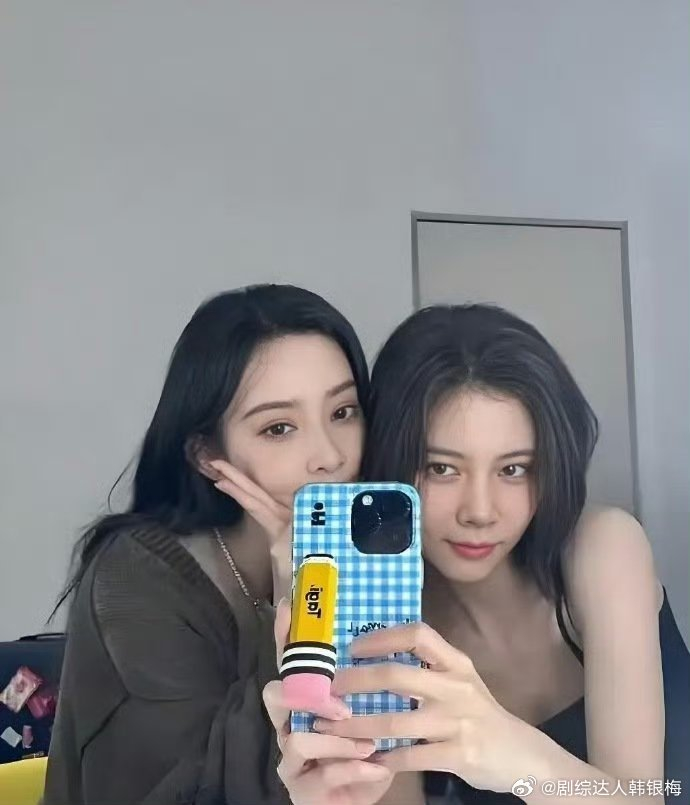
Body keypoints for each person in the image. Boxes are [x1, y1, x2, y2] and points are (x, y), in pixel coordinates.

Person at [262, 304, 690, 805]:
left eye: (513, 469)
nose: (480, 512)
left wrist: (513, 755)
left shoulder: (600, 550)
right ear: (390, 461)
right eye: (441, 469)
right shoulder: (379, 619)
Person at [44, 284, 373, 805]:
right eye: (279, 428)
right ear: (207, 457)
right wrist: (295, 601)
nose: (329, 456)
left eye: (343, 412)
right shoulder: (135, 578)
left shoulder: (371, 557)